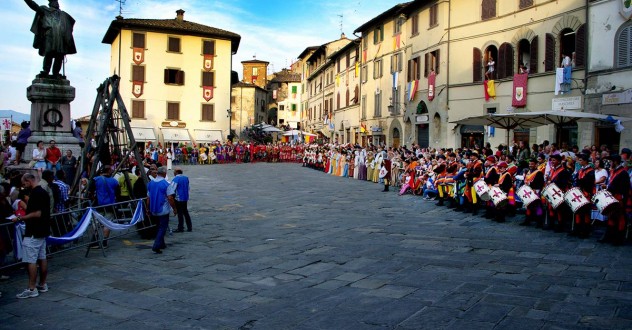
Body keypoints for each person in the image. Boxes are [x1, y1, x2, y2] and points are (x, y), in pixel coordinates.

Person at [12, 173, 51, 299]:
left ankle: (31, 287)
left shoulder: (35, 193)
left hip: (34, 231)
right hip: (42, 230)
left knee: (31, 260)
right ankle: (43, 283)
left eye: (24, 184)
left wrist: (20, 217)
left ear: (29, 181)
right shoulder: (43, 192)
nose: (24, 187)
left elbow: (37, 213)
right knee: (42, 257)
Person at [24, 0, 77, 78]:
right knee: (49, 53)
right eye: (55, 2)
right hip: (49, 36)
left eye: (57, 2)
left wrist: (67, 37)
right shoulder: (45, 10)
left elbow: (70, 24)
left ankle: (56, 73)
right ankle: (46, 71)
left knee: (60, 55)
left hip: (60, 38)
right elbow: (34, 6)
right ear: (50, 3)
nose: (57, 3)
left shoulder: (63, 14)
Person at [147, 167, 176, 254]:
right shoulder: (166, 184)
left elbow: (148, 198)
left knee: (158, 227)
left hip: (153, 208)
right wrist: (174, 208)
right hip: (163, 208)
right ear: (164, 174)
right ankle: (156, 245)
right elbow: (170, 198)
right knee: (163, 227)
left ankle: (162, 243)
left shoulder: (150, 183)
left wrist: (147, 208)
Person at [90, 166, 119, 248]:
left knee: (96, 223)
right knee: (107, 223)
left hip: (99, 204)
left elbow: (90, 191)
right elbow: (118, 194)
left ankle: (94, 241)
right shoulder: (114, 181)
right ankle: (105, 242)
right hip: (110, 205)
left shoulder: (96, 179)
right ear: (109, 170)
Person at [171, 167, 192, 232]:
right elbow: (188, 187)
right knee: (185, 212)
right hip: (185, 197)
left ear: (176, 172)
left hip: (178, 198)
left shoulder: (176, 179)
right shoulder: (186, 178)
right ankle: (189, 227)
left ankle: (180, 227)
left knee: (180, 213)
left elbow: (172, 189)